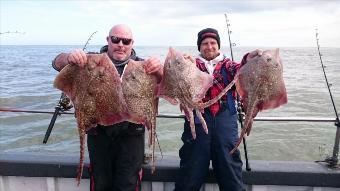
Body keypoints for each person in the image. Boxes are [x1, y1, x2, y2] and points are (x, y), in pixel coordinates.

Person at [52, 24, 163, 191]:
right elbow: (56, 63)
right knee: (101, 183)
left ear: (132, 43)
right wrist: (70, 57)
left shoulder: (143, 66)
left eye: (125, 41)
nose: (120, 44)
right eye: (115, 39)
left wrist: (160, 69)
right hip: (99, 133)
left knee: (128, 184)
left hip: (131, 135)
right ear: (108, 40)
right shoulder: (91, 61)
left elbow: (166, 84)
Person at [174, 28, 262, 191]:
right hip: (197, 121)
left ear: (218, 46)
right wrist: (183, 62)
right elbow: (176, 77)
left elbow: (242, 69)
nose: (209, 46)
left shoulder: (229, 66)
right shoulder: (192, 65)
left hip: (225, 122)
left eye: (213, 43)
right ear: (199, 47)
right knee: (191, 169)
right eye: (205, 43)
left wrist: (249, 58)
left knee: (230, 170)